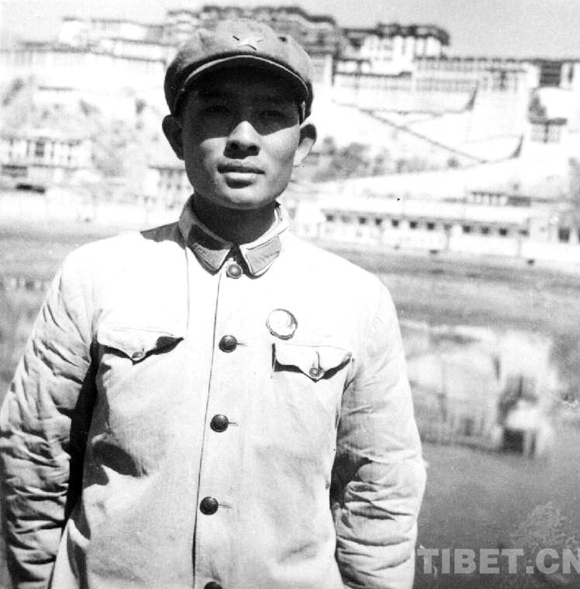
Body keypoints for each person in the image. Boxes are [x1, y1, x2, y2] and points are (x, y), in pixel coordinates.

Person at [0, 18, 426, 589]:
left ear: (302, 145)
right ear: (176, 135)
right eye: (218, 111)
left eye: (270, 116)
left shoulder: (357, 300)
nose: (244, 138)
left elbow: (379, 490)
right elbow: (33, 456)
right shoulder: (94, 276)